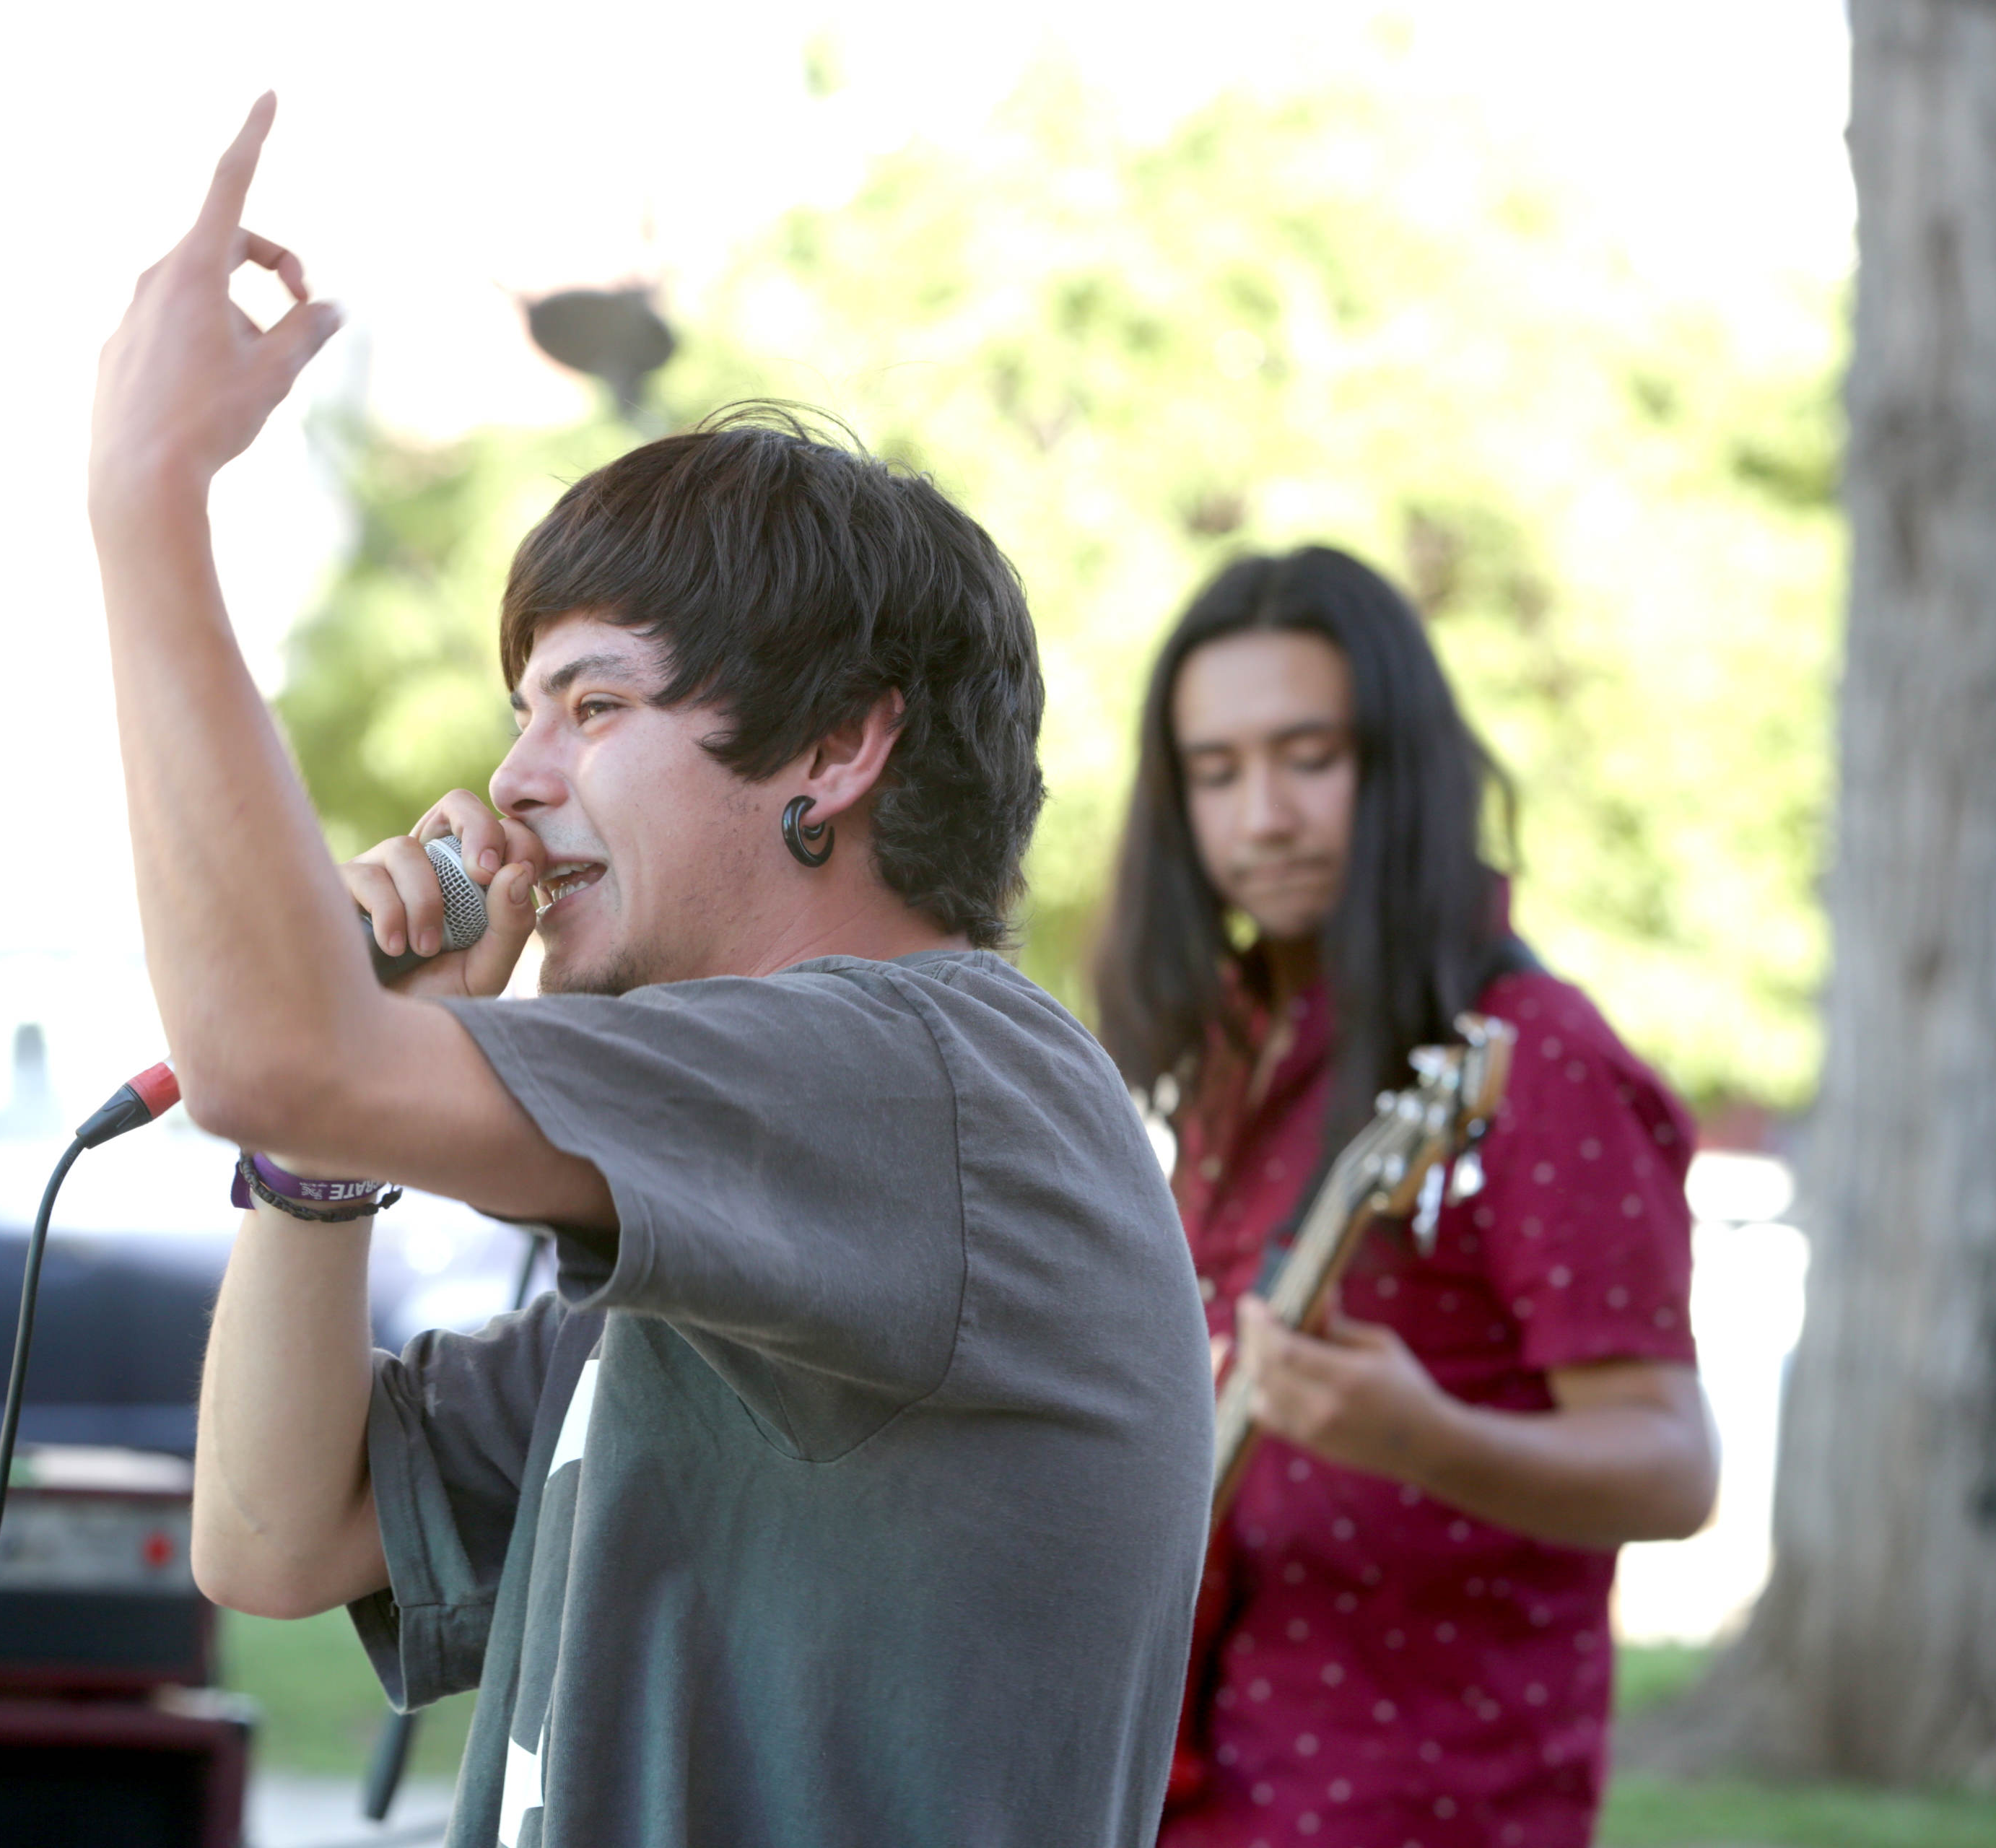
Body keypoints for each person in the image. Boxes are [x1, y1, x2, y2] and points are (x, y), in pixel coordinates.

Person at [87, 97, 1212, 1848]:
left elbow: (262, 1048)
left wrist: (149, 503)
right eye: (525, 707)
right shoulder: (748, 1241)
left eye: (597, 704)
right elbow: (270, 1534)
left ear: (835, 748)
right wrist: (323, 1160)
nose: (518, 777)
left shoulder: (925, 1079)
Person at [1089, 545, 1721, 1848]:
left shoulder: (1537, 1059)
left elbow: (1673, 1468)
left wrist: (1424, 1437)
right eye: (1216, 773)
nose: (1261, 814)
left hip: (1415, 1795)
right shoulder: (1229, 1049)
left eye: (1307, 757)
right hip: (1188, 1778)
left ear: (1401, 766)